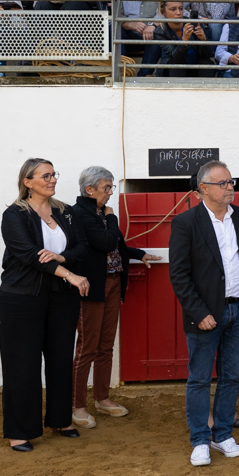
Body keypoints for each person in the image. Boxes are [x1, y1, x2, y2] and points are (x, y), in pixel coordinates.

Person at [168, 161, 239, 467]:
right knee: (199, 379)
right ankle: (200, 440)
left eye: (231, 182)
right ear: (203, 189)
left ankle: (222, 435)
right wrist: (199, 312)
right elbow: (179, 274)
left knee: (231, 377)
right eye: (222, 183)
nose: (230, 187)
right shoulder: (186, 222)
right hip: (206, 315)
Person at [0, 158, 90, 453]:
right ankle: (19, 431)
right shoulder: (15, 214)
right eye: (46, 176)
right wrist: (69, 274)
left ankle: (61, 420)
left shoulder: (66, 212)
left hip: (61, 297)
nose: (52, 180)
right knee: (22, 364)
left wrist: (63, 258)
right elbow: (30, 254)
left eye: (53, 175)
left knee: (60, 359)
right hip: (23, 297)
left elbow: (82, 247)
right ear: (28, 182)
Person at [69, 167, 159, 429]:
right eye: (106, 187)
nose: (110, 192)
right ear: (89, 189)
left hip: (112, 283)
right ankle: (77, 406)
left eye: (111, 187)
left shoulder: (99, 213)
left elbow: (115, 245)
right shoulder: (80, 214)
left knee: (106, 345)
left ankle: (102, 398)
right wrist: (112, 217)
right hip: (92, 287)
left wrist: (138, 253)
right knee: (87, 347)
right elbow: (106, 242)